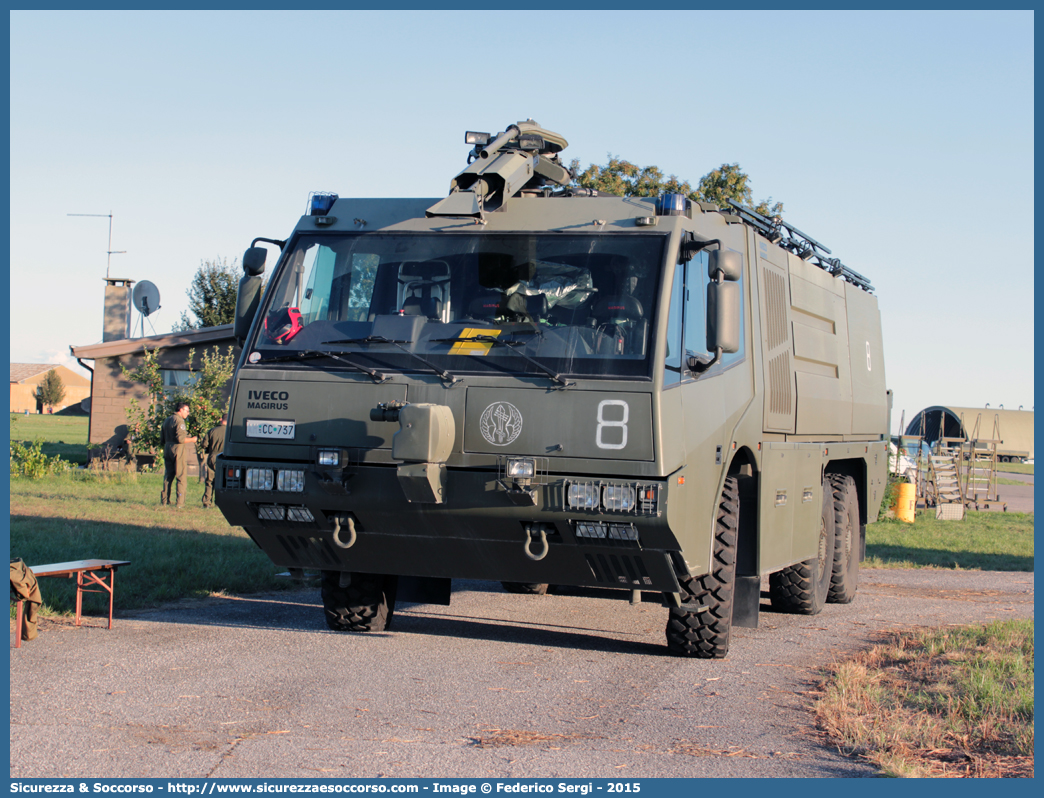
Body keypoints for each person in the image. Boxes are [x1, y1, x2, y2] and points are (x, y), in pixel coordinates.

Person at [160, 402, 197, 508]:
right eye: (187, 410)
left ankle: (164, 500)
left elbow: (162, 438)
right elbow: (180, 439)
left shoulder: (167, 419)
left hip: (167, 448)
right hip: (178, 449)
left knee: (168, 476)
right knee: (181, 476)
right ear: (181, 410)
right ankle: (180, 502)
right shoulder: (179, 421)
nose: (188, 413)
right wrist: (192, 440)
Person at [201, 415, 227, 508]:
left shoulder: (212, 431)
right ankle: (219, 502)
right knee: (222, 481)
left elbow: (204, 445)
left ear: (221, 420)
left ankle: (207, 502)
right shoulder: (229, 432)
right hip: (224, 458)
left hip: (212, 457)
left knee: (210, 481)